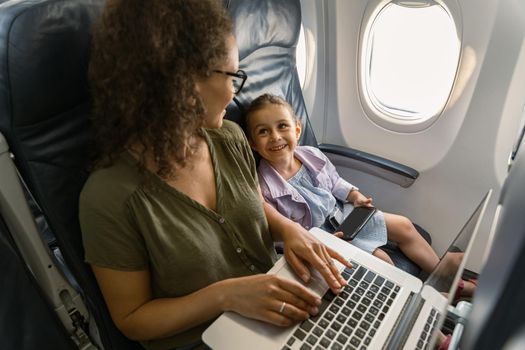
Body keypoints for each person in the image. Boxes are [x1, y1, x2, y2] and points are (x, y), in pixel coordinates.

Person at [79, 1, 350, 349]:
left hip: (275, 306)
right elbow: (132, 318)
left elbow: (251, 204)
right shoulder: (109, 197)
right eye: (232, 76)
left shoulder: (230, 138)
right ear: (181, 83)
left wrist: (291, 229)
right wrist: (226, 296)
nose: (236, 91)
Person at [245, 93, 441, 274]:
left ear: (297, 130)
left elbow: (335, 182)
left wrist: (355, 196)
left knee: (404, 226)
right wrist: (315, 244)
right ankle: (414, 298)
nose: (275, 136)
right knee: (383, 261)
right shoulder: (264, 188)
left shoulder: (313, 155)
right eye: (263, 132)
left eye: (282, 126)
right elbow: (280, 236)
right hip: (323, 238)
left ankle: (443, 277)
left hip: (342, 214)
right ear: (253, 144)